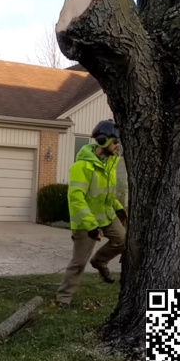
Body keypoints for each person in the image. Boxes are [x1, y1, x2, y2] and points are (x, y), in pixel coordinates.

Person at [56, 119, 127, 308]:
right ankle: (64, 298)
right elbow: (76, 198)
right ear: (103, 141)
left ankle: (100, 261)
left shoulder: (110, 163)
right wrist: (92, 226)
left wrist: (119, 208)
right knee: (79, 263)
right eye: (115, 142)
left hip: (106, 216)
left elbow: (107, 193)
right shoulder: (82, 167)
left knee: (122, 241)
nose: (117, 146)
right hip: (85, 222)